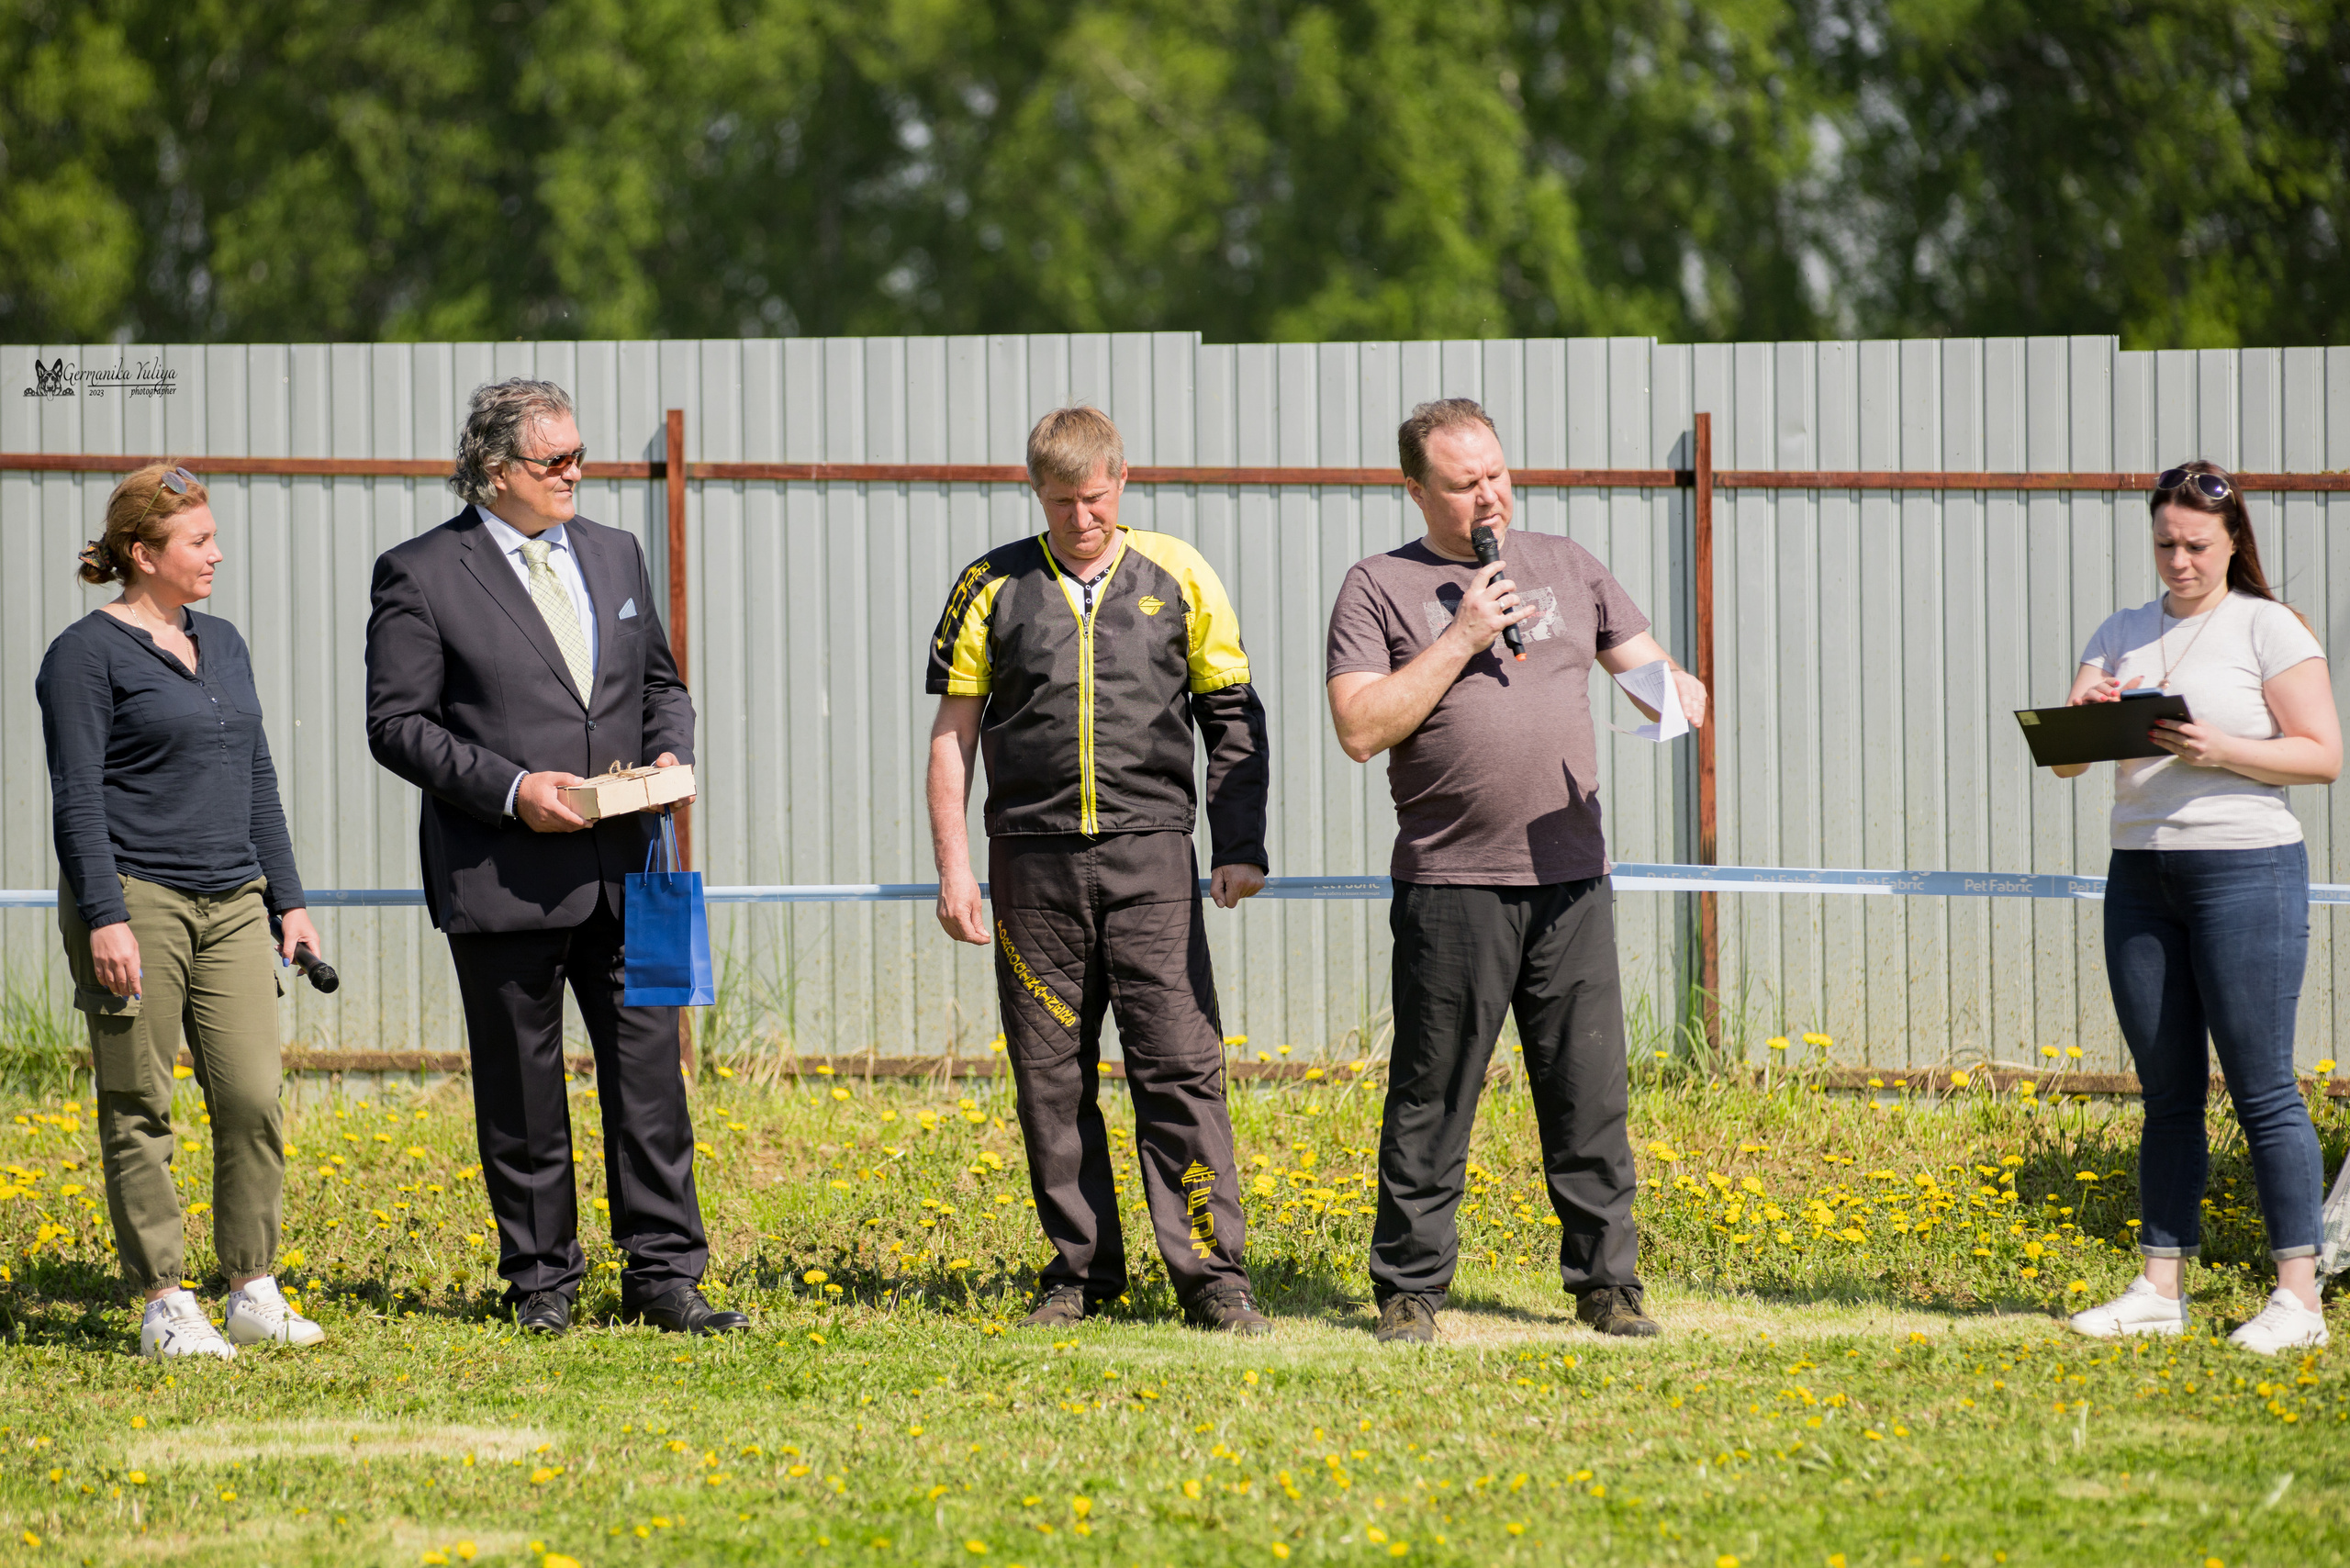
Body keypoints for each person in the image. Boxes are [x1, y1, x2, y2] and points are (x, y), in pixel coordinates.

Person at [364, 378, 744, 1338]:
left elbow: (661, 683)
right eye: (555, 461)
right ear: (495, 473)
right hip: (500, 873)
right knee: (523, 1090)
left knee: (652, 1078)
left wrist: (671, 754)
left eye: (580, 454)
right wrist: (510, 788)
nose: (578, 472)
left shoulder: (615, 553)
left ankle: (665, 1276)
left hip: (634, 866)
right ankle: (542, 1284)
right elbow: (396, 725)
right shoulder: (420, 573)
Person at [1326, 398, 1707, 1345]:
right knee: (1433, 1089)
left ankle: (1606, 1283)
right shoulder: (1377, 586)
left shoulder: (1570, 566)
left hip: (1570, 873)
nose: (1488, 495)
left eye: (1495, 473)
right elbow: (1359, 729)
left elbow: (1650, 671)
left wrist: (1680, 694)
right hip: (1451, 880)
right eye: (1463, 484)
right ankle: (1409, 1289)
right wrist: (1460, 636)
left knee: (1587, 1088)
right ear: (1415, 488)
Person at [925, 406, 1274, 1335]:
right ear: (1032, 491)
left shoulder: (1179, 570)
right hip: (1030, 868)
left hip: (1152, 858)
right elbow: (952, 739)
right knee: (1049, 1077)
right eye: (1060, 501)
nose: (1081, 518)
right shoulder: (988, 586)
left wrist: (1239, 844)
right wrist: (955, 870)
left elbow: (1232, 718)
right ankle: (1079, 1272)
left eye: (1095, 497)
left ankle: (1214, 1278)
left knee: (1180, 1067)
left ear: (1121, 479)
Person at [37, 464, 326, 1360]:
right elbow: (77, 798)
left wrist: (291, 901)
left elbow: (257, 777)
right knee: (140, 1101)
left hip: (234, 897)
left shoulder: (225, 642)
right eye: (197, 541)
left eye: (212, 536)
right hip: (137, 899)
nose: (216, 553)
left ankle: (251, 1286)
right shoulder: (83, 655)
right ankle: (165, 1298)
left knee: (250, 1095)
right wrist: (105, 914)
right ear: (140, 551)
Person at [2056, 461, 2338, 1355]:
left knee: (2262, 1088)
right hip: (2140, 875)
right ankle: (2157, 1287)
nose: (2178, 561)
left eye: (2196, 546)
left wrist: (2220, 747)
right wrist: (2080, 715)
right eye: (2164, 545)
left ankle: (2297, 1296)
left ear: (2231, 543)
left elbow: (2322, 756)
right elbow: (2067, 762)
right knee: (2165, 1092)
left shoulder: (2267, 626)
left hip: (2245, 871)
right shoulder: (2120, 631)